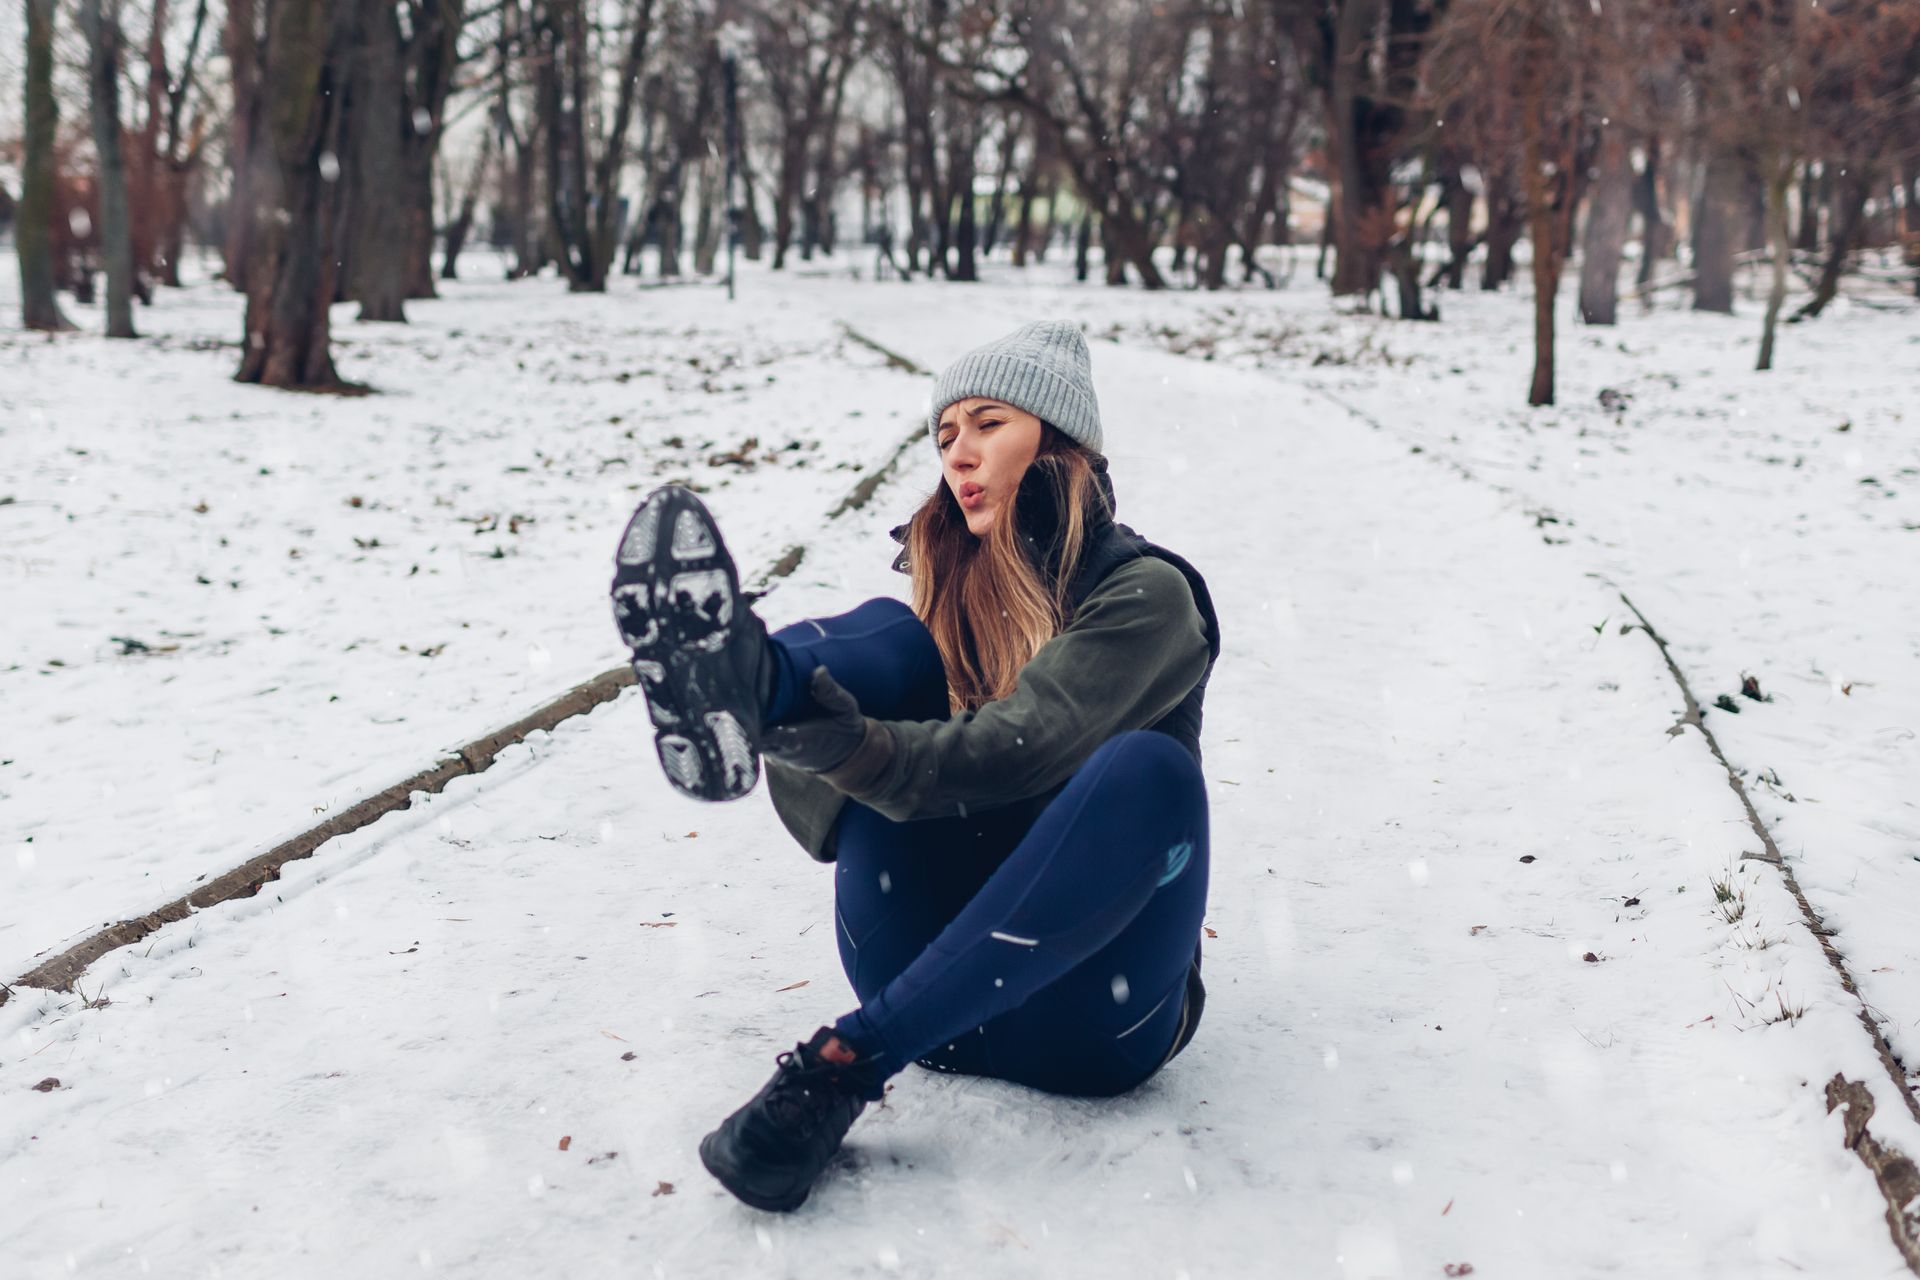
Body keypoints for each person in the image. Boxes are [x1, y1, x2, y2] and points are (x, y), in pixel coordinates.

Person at [609, 320, 1221, 1212]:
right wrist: (815, 741)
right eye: (944, 436)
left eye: (987, 424)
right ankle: (749, 681)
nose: (958, 455)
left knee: (1151, 776)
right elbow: (830, 823)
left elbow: (1024, 750)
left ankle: (846, 1063)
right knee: (894, 639)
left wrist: (857, 749)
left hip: (1095, 1020)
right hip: (931, 969)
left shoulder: (1147, 594)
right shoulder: (949, 591)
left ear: (1060, 442)